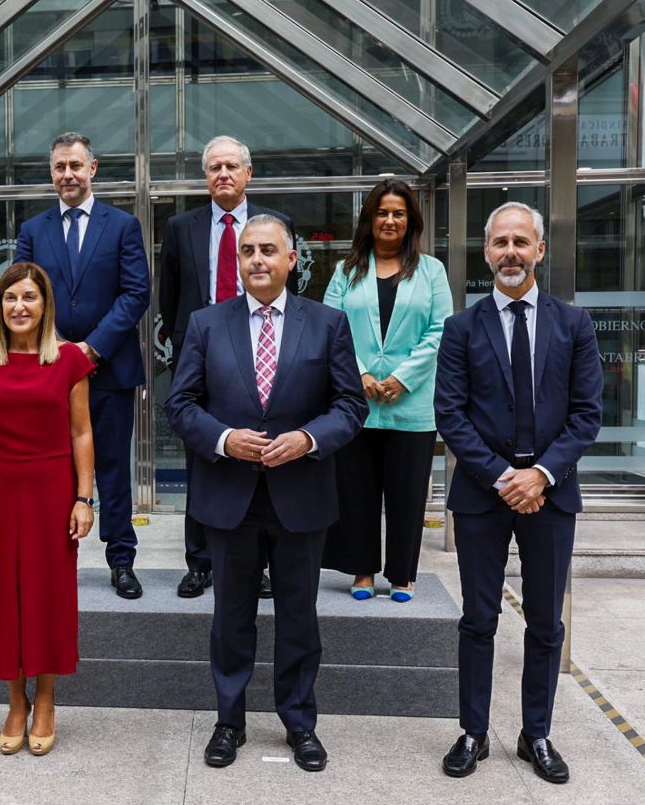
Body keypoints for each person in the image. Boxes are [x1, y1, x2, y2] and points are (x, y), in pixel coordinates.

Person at [166, 215, 366, 772]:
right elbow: (180, 406)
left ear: (291, 259)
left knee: (300, 617)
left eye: (269, 250)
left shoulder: (327, 324)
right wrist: (226, 439)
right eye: (248, 250)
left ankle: (299, 723)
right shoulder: (207, 324)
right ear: (238, 261)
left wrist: (307, 439)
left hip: (301, 495)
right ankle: (229, 721)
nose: (257, 259)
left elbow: (351, 407)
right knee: (231, 618)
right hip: (229, 495)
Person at [436, 202, 601, 784]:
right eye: (500, 242)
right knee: (478, 620)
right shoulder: (461, 328)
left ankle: (537, 734)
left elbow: (586, 415)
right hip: (484, 495)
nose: (510, 252)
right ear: (486, 253)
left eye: (520, 241)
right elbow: (450, 417)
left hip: (551, 496)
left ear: (540, 250)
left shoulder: (573, 325)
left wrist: (542, 476)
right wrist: (505, 477)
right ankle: (473, 732)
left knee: (545, 624)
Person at [0, 262, 96, 757]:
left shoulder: (69, 362)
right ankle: (15, 702)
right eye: (11, 297)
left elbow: (81, 432)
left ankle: (47, 702)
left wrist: (84, 497)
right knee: (0, 598)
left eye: (29, 298)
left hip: (51, 490)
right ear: (0, 306)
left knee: (48, 596)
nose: (20, 306)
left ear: (45, 306)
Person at [159, 135, 299, 600]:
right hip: (203, 353)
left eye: (231, 166)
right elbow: (170, 292)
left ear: (248, 174)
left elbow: (288, 292)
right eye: (214, 167)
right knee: (203, 455)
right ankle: (200, 562)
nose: (223, 174)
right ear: (206, 176)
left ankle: (253, 563)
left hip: (262, 350)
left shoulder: (275, 225)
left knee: (258, 453)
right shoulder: (181, 226)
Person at [14, 131, 150, 599]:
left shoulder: (122, 226)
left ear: (93, 169)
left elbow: (136, 294)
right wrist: (53, 347)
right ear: (51, 173)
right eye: (59, 167)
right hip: (48, 371)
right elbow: (21, 296)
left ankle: (121, 560)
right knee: (53, 467)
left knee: (111, 466)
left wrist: (90, 349)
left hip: (108, 369)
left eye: (75, 166)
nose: (67, 175)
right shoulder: (33, 231)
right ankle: (52, 558)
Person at [321, 179, 451, 602]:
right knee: (355, 491)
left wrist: (402, 377)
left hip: (410, 404)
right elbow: (330, 328)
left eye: (398, 213)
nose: (389, 220)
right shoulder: (346, 271)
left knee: (407, 494)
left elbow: (440, 330)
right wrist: (358, 375)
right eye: (381, 212)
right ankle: (361, 572)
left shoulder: (431, 270)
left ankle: (402, 575)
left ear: (410, 220)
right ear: (369, 220)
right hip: (356, 404)